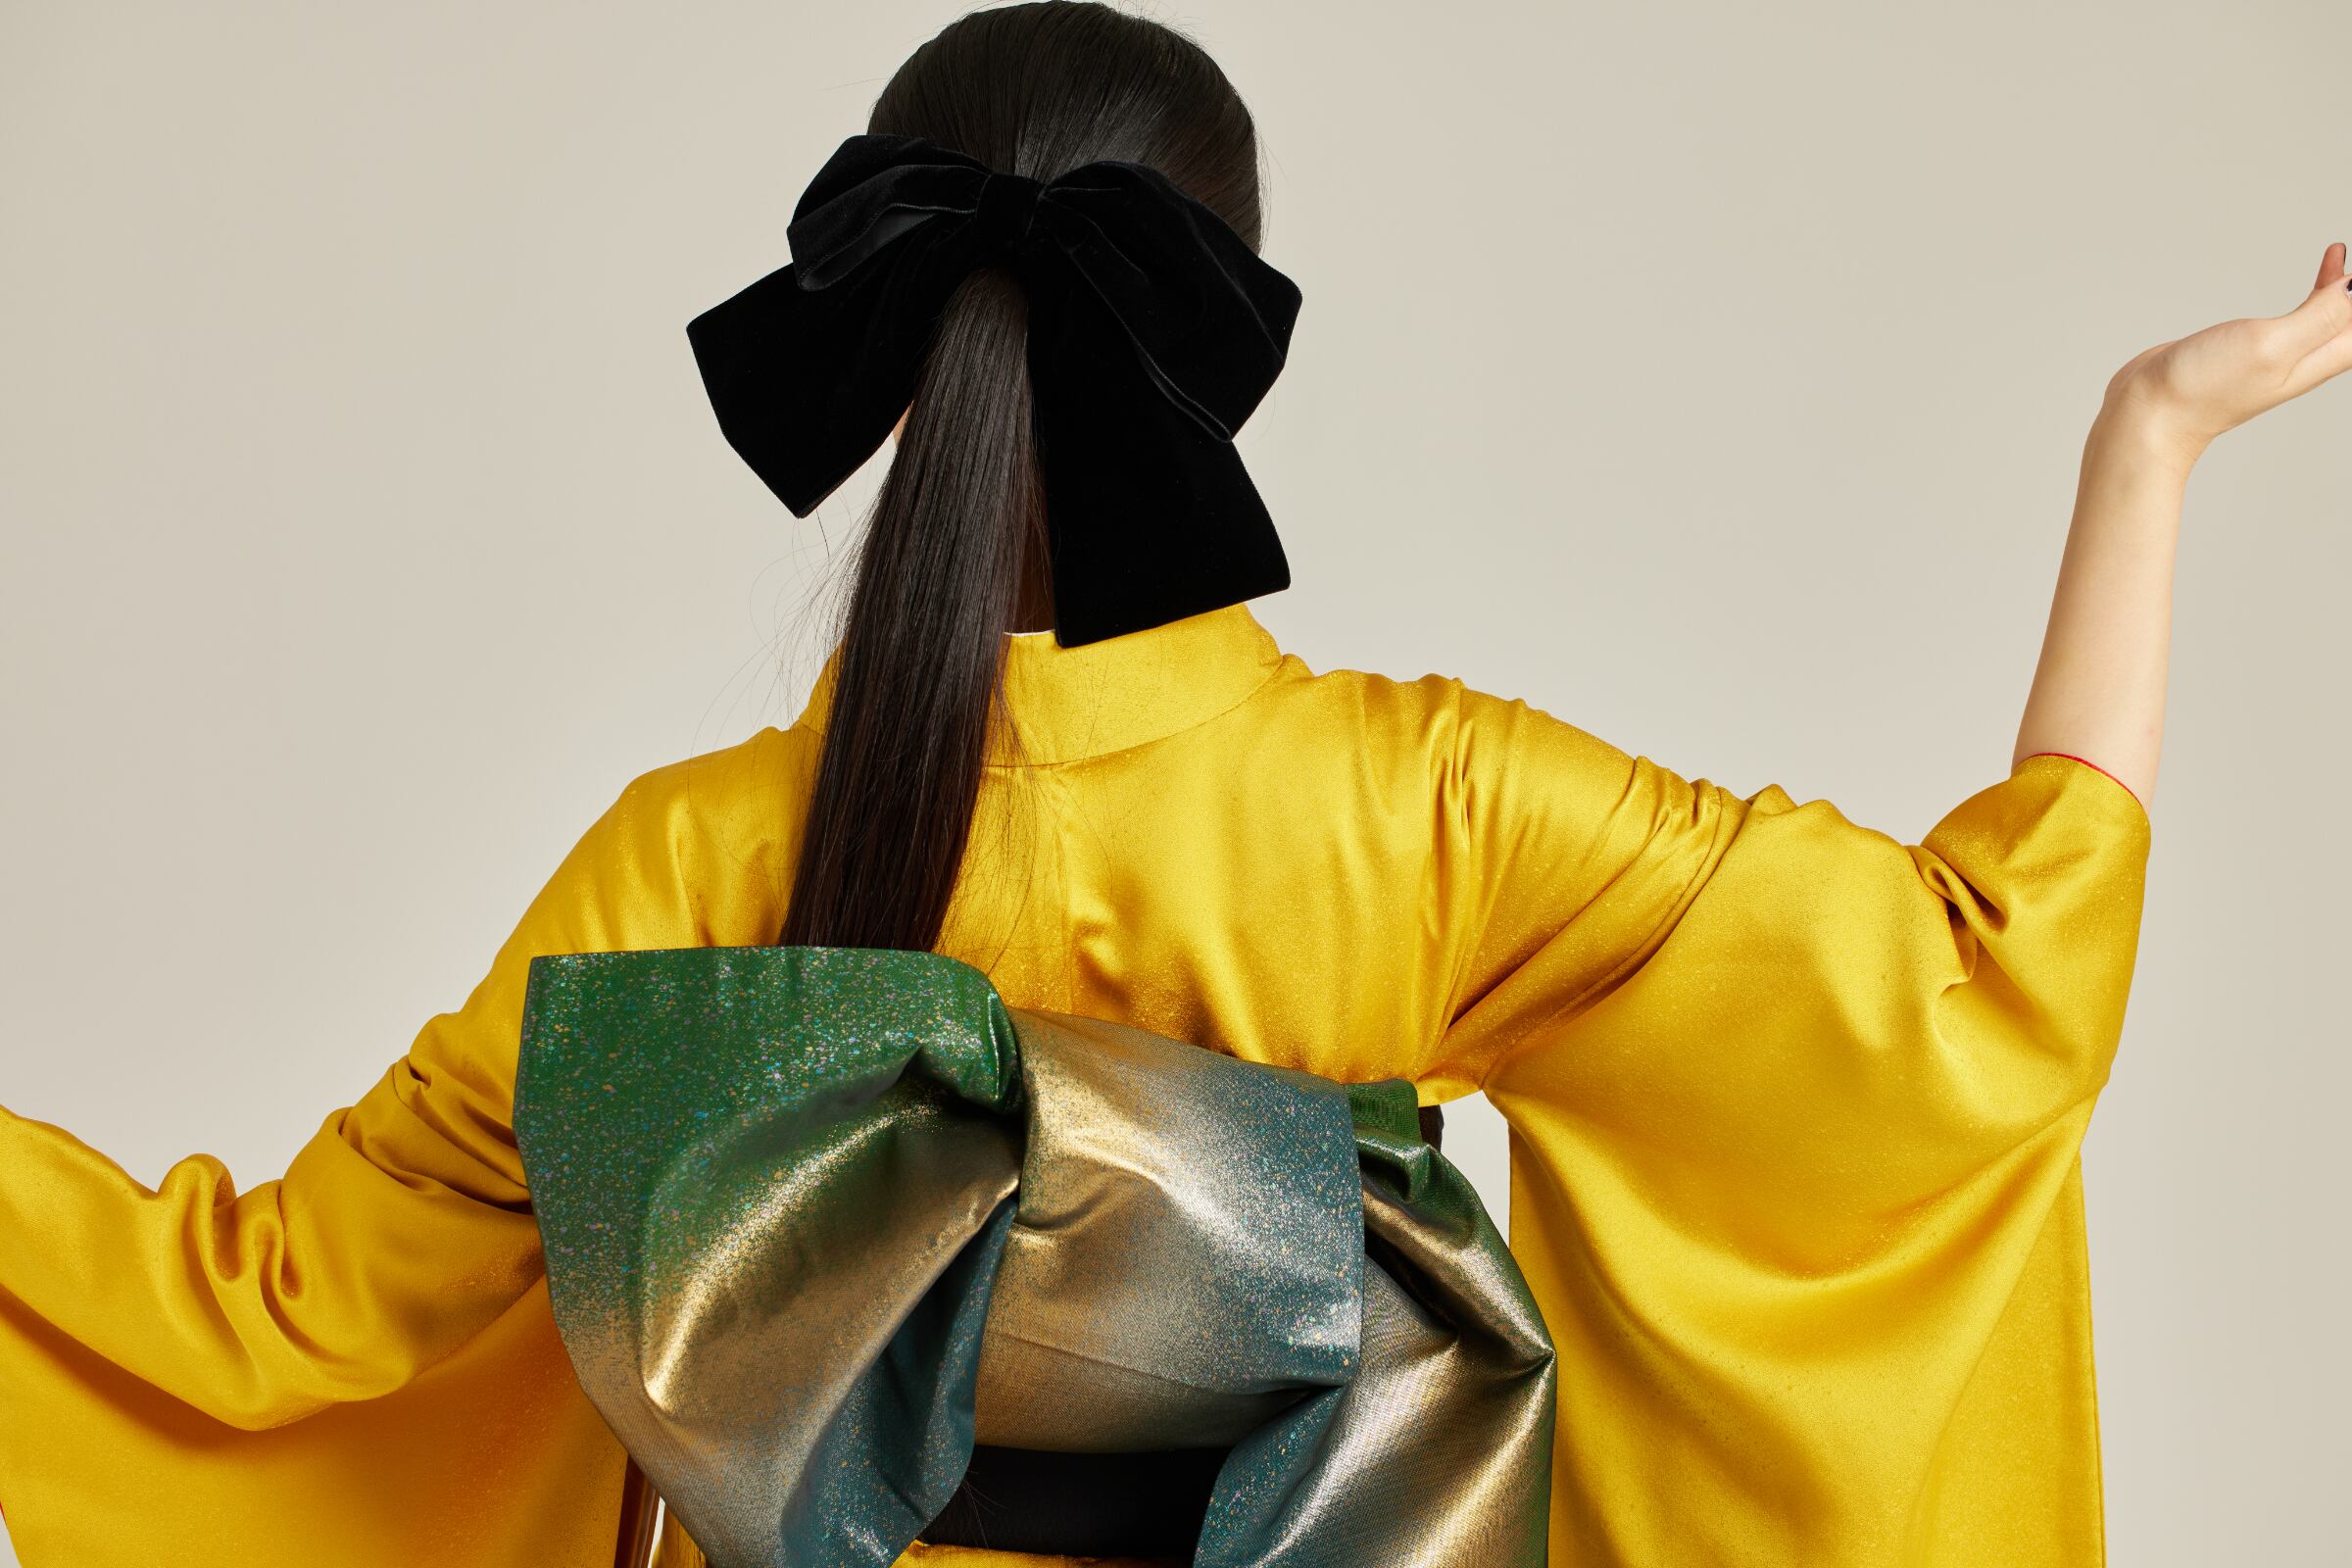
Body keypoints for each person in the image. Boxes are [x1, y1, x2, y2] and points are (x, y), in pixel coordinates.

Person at [2, 3, 2346, 1566]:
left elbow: (274, 1305)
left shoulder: (689, 861)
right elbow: (1967, 992)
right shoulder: (1422, 808)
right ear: (1221, 350)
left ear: (884, 345)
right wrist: (2148, 442)